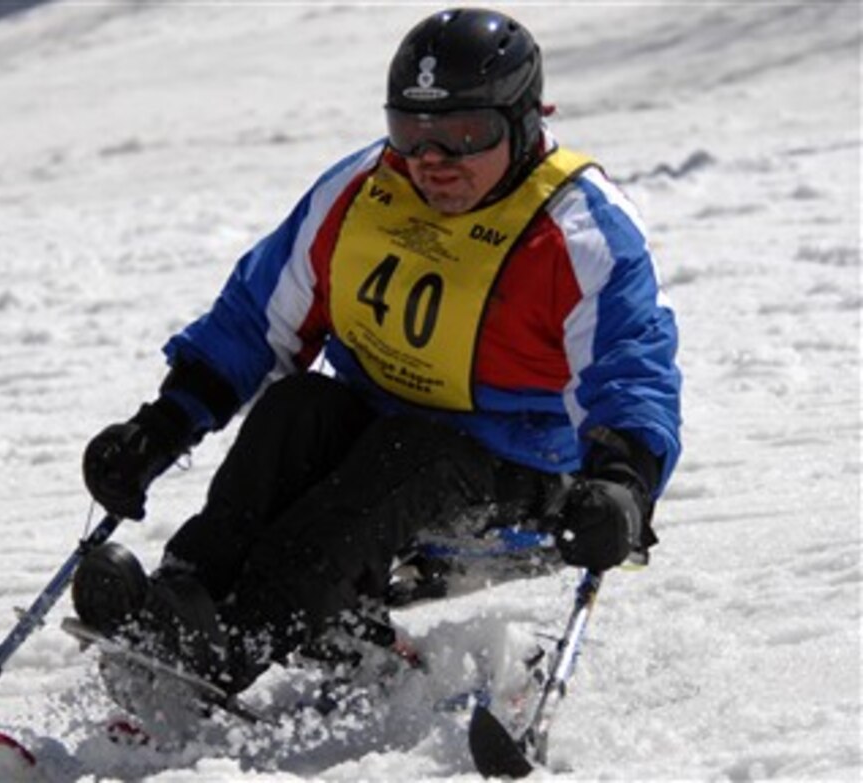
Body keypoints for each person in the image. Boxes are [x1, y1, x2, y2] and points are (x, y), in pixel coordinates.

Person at [72, 8, 682, 697]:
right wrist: (160, 427)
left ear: (524, 121)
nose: (432, 162)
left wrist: (622, 485)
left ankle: (236, 644)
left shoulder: (579, 230)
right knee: (297, 407)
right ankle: (187, 598)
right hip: (377, 432)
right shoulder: (364, 190)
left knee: (413, 456)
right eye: (411, 132)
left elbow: (634, 369)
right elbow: (257, 319)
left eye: (464, 135)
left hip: (526, 476)